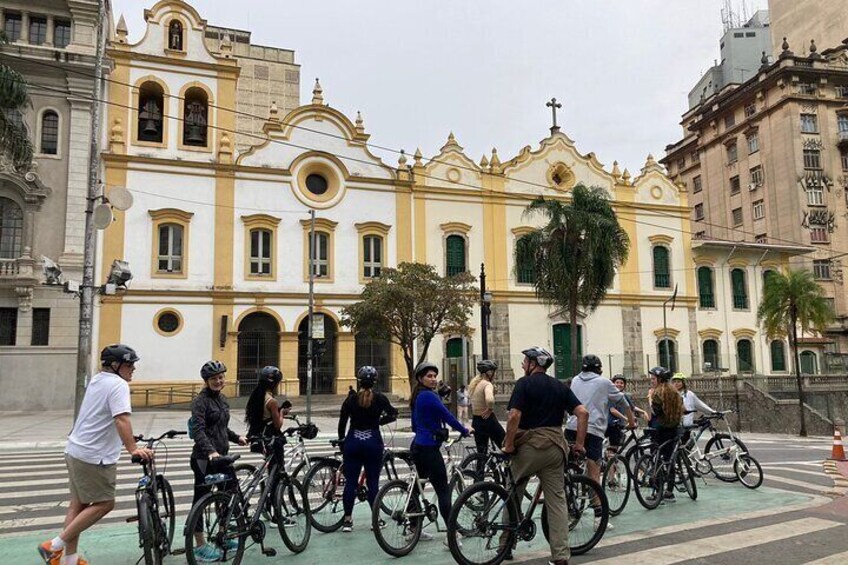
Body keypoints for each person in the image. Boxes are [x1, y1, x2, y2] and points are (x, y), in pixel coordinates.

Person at [38, 345, 153, 565]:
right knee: (105, 503)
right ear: (115, 365)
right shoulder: (118, 384)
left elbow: (104, 416)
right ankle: (53, 546)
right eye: (129, 364)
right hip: (94, 456)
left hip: (76, 450)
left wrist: (128, 439)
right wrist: (132, 449)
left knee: (78, 505)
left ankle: (68, 560)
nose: (133, 368)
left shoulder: (98, 379)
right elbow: (121, 419)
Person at [503, 346, 589, 565]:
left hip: (530, 447)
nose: (522, 365)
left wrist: (509, 445)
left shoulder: (524, 384)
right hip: (555, 448)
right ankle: (560, 556)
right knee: (557, 502)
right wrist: (579, 445)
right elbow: (582, 413)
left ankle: (505, 546)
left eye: (525, 361)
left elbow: (514, 415)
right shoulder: (559, 386)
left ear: (533, 363)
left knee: (513, 492)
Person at [565, 355, 634, 529]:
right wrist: (631, 422)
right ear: (599, 369)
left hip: (572, 427)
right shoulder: (604, 382)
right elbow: (623, 402)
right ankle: (598, 517)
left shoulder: (574, 379)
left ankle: (568, 507)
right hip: (593, 430)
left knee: (567, 469)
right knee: (593, 473)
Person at [189, 361, 247, 561]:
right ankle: (200, 544)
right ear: (206, 381)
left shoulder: (222, 399)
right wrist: (211, 452)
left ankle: (222, 535)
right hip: (204, 459)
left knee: (227, 497)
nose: (219, 381)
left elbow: (221, 427)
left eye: (221, 377)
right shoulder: (200, 401)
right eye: (214, 379)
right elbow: (198, 430)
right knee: (201, 500)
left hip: (222, 457)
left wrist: (236, 437)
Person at [410, 361, 470, 545]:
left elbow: (414, 425)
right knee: (443, 492)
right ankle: (451, 536)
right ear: (420, 379)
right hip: (429, 449)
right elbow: (448, 416)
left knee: (416, 489)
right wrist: (465, 430)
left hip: (417, 447)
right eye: (429, 376)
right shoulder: (429, 396)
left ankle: (413, 528)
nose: (433, 379)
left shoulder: (417, 396)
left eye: (435, 376)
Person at [337, 366, 398, 532]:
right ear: (375, 381)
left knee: (350, 482)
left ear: (358, 381)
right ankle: (375, 520)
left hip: (353, 441)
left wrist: (342, 441)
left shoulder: (350, 400)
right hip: (372, 441)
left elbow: (342, 423)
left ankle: (348, 520)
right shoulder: (380, 399)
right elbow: (393, 414)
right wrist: (379, 422)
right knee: (373, 483)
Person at [647, 366, 684, 502]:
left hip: (659, 430)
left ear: (659, 379)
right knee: (669, 460)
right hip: (673, 429)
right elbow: (682, 408)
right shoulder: (675, 392)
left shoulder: (657, 393)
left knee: (655, 458)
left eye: (653, 379)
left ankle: (657, 491)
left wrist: (650, 399)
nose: (651, 381)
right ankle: (669, 491)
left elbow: (656, 412)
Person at [468, 360, 505, 463]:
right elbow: (489, 399)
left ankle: (479, 477)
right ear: (489, 373)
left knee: (481, 453)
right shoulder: (487, 384)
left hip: (476, 421)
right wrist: (490, 409)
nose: (495, 374)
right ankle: (509, 473)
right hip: (488, 420)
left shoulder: (475, 384)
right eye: (494, 371)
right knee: (506, 445)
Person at [672, 372, 714, 444]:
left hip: (687, 426)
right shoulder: (671, 395)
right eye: (674, 382)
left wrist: (713, 412)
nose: (676, 384)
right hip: (675, 426)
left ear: (683, 383)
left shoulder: (689, 394)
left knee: (685, 448)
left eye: (679, 382)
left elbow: (700, 405)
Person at [244, 366, 284, 437]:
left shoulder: (256, 395)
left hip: (256, 437)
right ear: (274, 384)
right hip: (268, 440)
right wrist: (282, 412)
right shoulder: (272, 402)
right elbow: (278, 425)